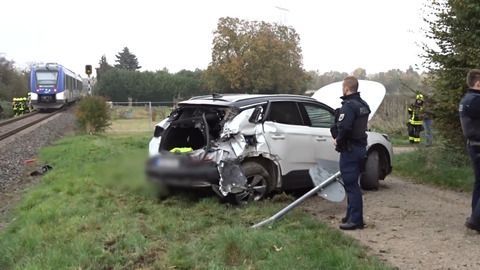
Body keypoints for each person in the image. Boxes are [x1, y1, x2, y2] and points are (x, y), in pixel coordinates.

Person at [330, 76, 371, 230]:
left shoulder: (348, 106)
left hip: (350, 150)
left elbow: (345, 128)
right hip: (361, 148)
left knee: (351, 185)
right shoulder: (363, 104)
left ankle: (356, 221)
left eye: (343, 87)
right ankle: (350, 215)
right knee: (353, 183)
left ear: (346, 88)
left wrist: (337, 140)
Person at [459, 69, 480, 233]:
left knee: (479, 184)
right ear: (478, 83)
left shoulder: (468, 99)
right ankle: (475, 220)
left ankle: (476, 218)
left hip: (474, 144)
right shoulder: (476, 101)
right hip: (478, 144)